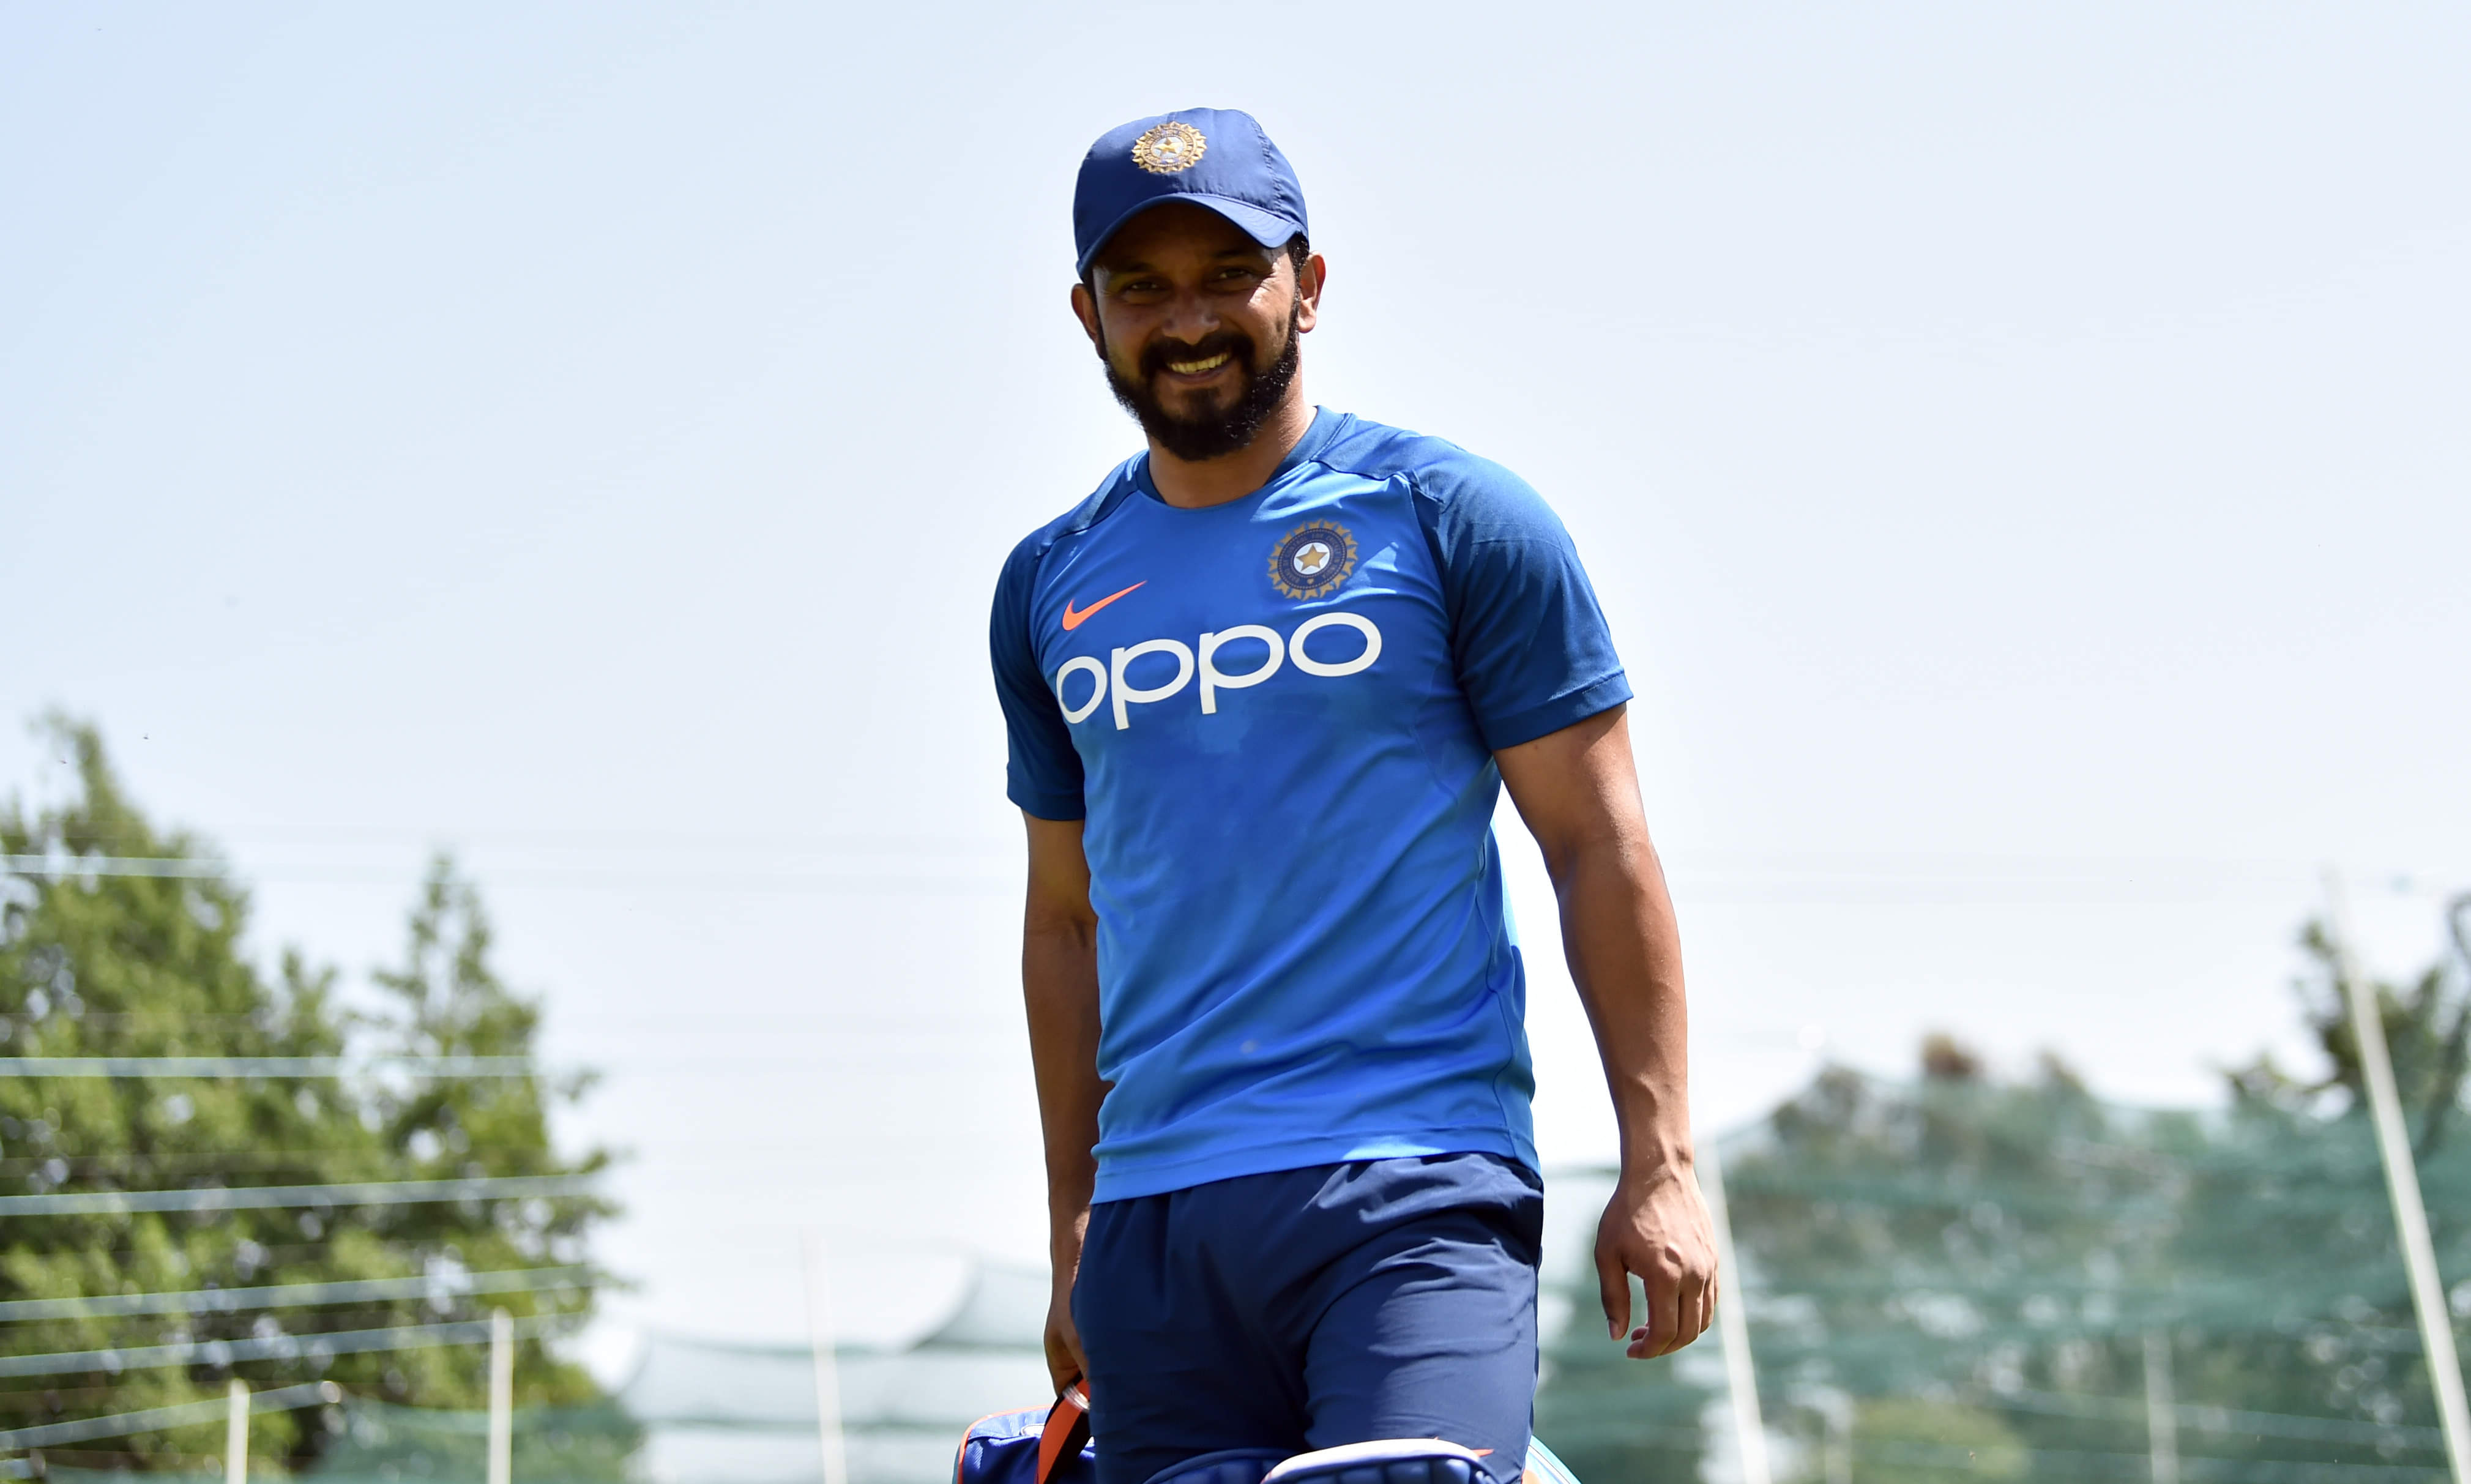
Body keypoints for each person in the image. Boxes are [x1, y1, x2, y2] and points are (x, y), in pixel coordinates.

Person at [987, 108, 1716, 1484]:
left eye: (1230, 274)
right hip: (1157, 1221)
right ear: (1088, 314)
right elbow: (1063, 921)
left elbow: (1596, 840)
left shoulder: (1454, 517)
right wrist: (1073, 1219)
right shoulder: (1048, 582)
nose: (1187, 319)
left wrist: (1661, 1159)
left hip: (1417, 1184)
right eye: (1142, 286)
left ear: (1307, 285)